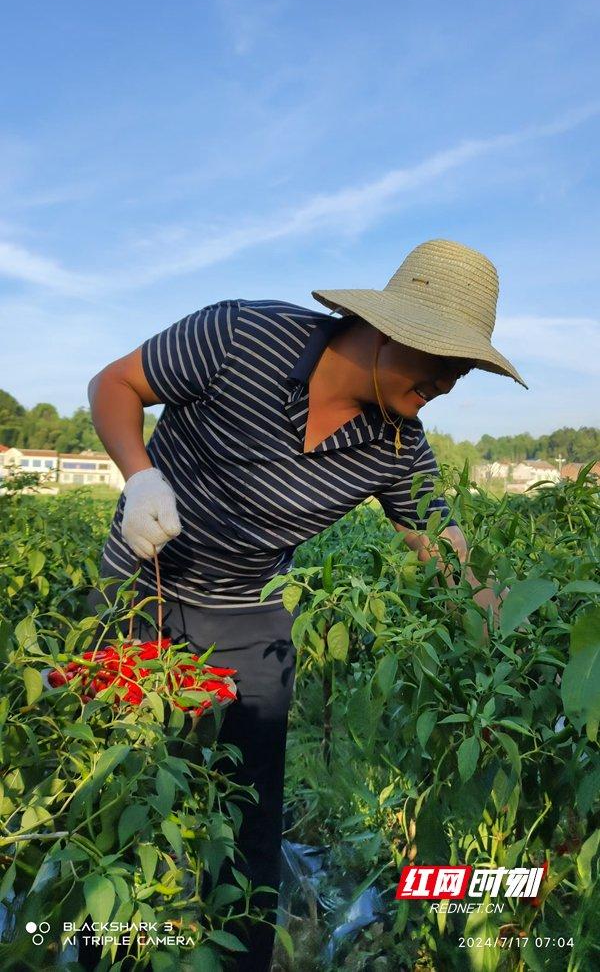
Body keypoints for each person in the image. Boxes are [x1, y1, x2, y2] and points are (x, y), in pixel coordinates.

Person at [85, 238, 527, 970]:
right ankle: (107, 947)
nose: (452, 382)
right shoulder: (240, 335)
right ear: (391, 333)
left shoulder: (397, 444)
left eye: (465, 367)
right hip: (143, 587)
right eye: (446, 360)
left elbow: (445, 553)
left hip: (252, 619)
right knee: (121, 794)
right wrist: (140, 477)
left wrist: (518, 629)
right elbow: (114, 384)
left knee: (248, 818)